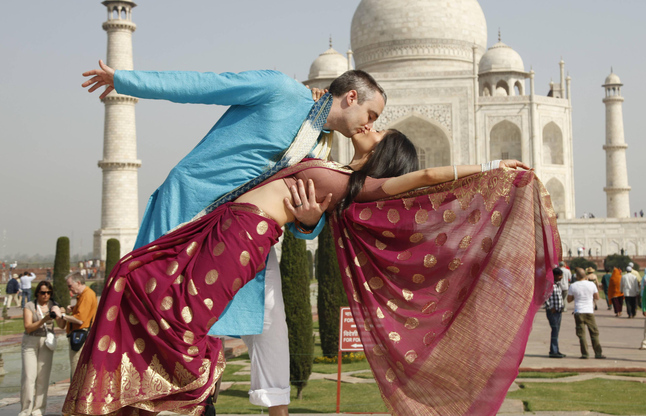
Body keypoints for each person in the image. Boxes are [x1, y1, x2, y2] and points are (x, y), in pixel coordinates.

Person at [64, 126, 554, 416]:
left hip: (242, 238)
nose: (372, 125)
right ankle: (155, 390)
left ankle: (172, 392)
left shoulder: (361, 186)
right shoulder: (328, 168)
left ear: (383, 155)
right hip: (227, 227)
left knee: (165, 310)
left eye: (379, 129)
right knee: (135, 276)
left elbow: (426, 177)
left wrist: (493, 165)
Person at [81, 62, 386, 415]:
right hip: (188, 209)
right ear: (351, 96)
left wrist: (309, 221)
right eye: (371, 113)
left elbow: (303, 221)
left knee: (268, 317)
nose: (370, 124)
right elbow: (202, 84)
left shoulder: (319, 150)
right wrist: (123, 80)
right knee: (156, 314)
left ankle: (257, 408)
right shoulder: (280, 91)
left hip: (241, 235)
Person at [20, 281, 62, 416]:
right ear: (37, 293)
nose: (46, 295)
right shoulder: (30, 306)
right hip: (31, 341)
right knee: (29, 377)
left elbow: (61, 325)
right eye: (43, 292)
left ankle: (38, 410)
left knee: (43, 378)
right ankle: (25, 410)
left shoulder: (53, 305)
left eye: (49, 293)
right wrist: (44, 319)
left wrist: (60, 313)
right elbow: (28, 327)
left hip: (46, 342)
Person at [57, 273, 97, 378]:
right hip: (81, 335)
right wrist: (74, 308)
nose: (69, 289)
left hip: (80, 336)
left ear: (78, 283)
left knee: (77, 371)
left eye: (70, 286)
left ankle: (77, 394)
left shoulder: (87, 295)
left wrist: (62, 316)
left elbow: (80, 320)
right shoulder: (84, 295)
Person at [567, 268, 605, 359]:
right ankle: (598, 353)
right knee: (594, 333)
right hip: (589, 311)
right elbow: (597, 297)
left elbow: (568, 300)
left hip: (579, 311)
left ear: (577, 276)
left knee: (581, 334)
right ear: (585, 275)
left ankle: (585, 354)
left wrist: (576, 296)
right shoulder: (591, 284)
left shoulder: (573, 286)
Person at [545, 268, 566, 358]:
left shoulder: (557, 285)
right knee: (555, 331)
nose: (561, 277)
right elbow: (545, 296)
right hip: (553, 312)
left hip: (558, 311)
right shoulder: (549, 285)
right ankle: (553, 351)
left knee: (556, 331)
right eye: (560, 275)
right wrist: (550, 307)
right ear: (555, 276)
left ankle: (555, 350)